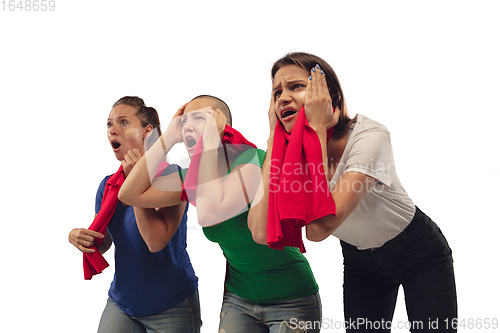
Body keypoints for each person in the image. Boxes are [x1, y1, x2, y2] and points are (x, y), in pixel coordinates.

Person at [248, 52, 457, 332]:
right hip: (361, 260)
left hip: (417, 251)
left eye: (296, 86)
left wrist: (318, 130)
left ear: (327, 95)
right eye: (276, 92)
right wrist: (274, 138)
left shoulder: (370, 137)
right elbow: (260, 232)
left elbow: (320, 227)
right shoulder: (288, 154)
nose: (282, 98)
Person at [119, 95, 322, 333]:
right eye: (184, 122)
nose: (188, 127)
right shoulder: (192, 177)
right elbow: (130, 194)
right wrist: (168, 138)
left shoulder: (252, 161)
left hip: (292, 298)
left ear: (221, 125)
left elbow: (210, 213)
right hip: (239, 300)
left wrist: (211, 142)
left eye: (199, 118)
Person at [68, 96, 201, 333]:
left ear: (146, 132)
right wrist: (80, 238)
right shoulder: (108, 186)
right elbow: (106, 242)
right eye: (109, 125)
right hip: (122, 303)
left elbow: (155, 241)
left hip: (172, 306)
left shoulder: (174, 178)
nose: (113, 130)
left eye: (123, 122)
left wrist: (133, 182)